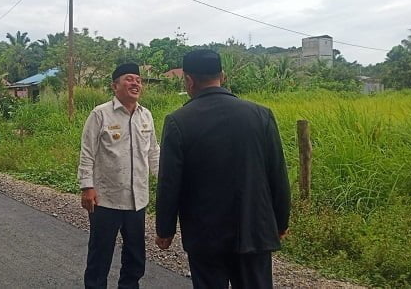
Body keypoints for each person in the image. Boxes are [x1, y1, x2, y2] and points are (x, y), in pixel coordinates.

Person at [155, 49, 291, 289]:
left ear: (188, 80)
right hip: (254, 230)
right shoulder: (261, 115)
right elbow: (277, 175)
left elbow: (169, 182)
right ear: (223, 76)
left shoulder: (179, 121)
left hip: (205, 237)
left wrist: (165, 229)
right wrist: (280, 222)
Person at [78, 63, 160, 289]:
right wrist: (87, 186)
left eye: (138, 80)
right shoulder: (100, 114)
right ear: (115, 85)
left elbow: (153, 152)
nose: (135, 83)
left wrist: (166, 181)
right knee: (100, 255)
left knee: (135, 257)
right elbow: (87, 152)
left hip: (137, 201)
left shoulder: (146, 116)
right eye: (129, 79)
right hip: (106, 200)